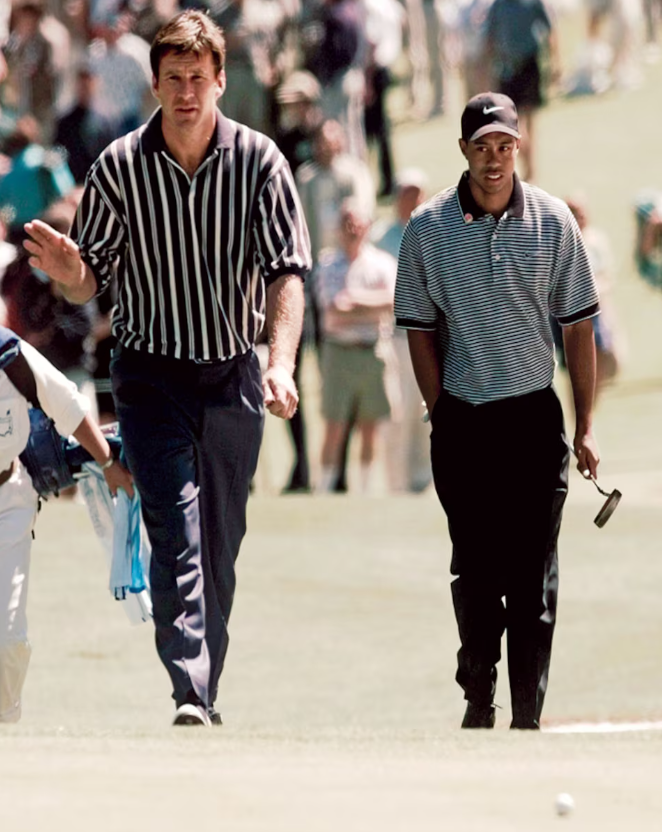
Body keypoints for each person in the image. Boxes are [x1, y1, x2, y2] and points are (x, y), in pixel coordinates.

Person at [23, 9, 311, 727]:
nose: (186, 92)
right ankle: (190, 691)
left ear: (220, 81)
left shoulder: (260, 163)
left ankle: (204, 687)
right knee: (174, 530)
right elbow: (89, 281)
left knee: (219, 545)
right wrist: (69, 272)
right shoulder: (119, 166)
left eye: (197, 78)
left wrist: (280, 364)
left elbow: (287, 274)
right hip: (149, 375)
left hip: (233, 376)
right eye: (173, 78)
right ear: (153, 84)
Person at [394, 92, 600, 730]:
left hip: (534, 421)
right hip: (465, 420)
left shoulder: (554, 220)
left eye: (504, 146)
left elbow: (578, 329)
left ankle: (527, 718)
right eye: (482, 147)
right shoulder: (427, 229)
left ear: (519, 147)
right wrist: (441, 413)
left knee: (533, 576)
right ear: (463, 149)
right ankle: (478, 694)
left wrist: (587, 426)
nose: (493, 159)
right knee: (478, 571)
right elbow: (419, 330)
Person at [0, 317, 133, 723]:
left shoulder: (9, 354)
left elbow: (66, 405)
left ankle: (5, 721)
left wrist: (107, 462)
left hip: (8, 499)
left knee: (7, 638)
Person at [314, 198, 396, 493]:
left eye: (357, 224)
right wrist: (371, 305)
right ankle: (324, 489)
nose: (352, 229)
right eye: (346, 223)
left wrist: (355, 301)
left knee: (371, 425)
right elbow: (333, 307)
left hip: (373, 350)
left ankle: (365, 490)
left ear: (368, 227)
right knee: (334, 425)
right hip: (339, 351)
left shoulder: (382, 263)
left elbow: (393, 302)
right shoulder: (327, 264)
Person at [372, 167, 432, 493]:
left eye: (418, 193)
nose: (413, 199)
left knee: (424, 409)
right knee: (398, 411)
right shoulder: (381, 237)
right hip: (395, 336)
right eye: (407, 193)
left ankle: (422, 479)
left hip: (429, 336)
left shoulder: (434, 231)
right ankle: (396, 482)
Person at [483, 0, 560, 182]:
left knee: (530, 121)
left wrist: (555, 61)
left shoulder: (533, 3)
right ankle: (526, 163)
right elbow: (490, 37)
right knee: (512, 124)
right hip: (507, 68)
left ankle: (530, 169)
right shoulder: (499, 5)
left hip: (529, 65)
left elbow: (550, 30)